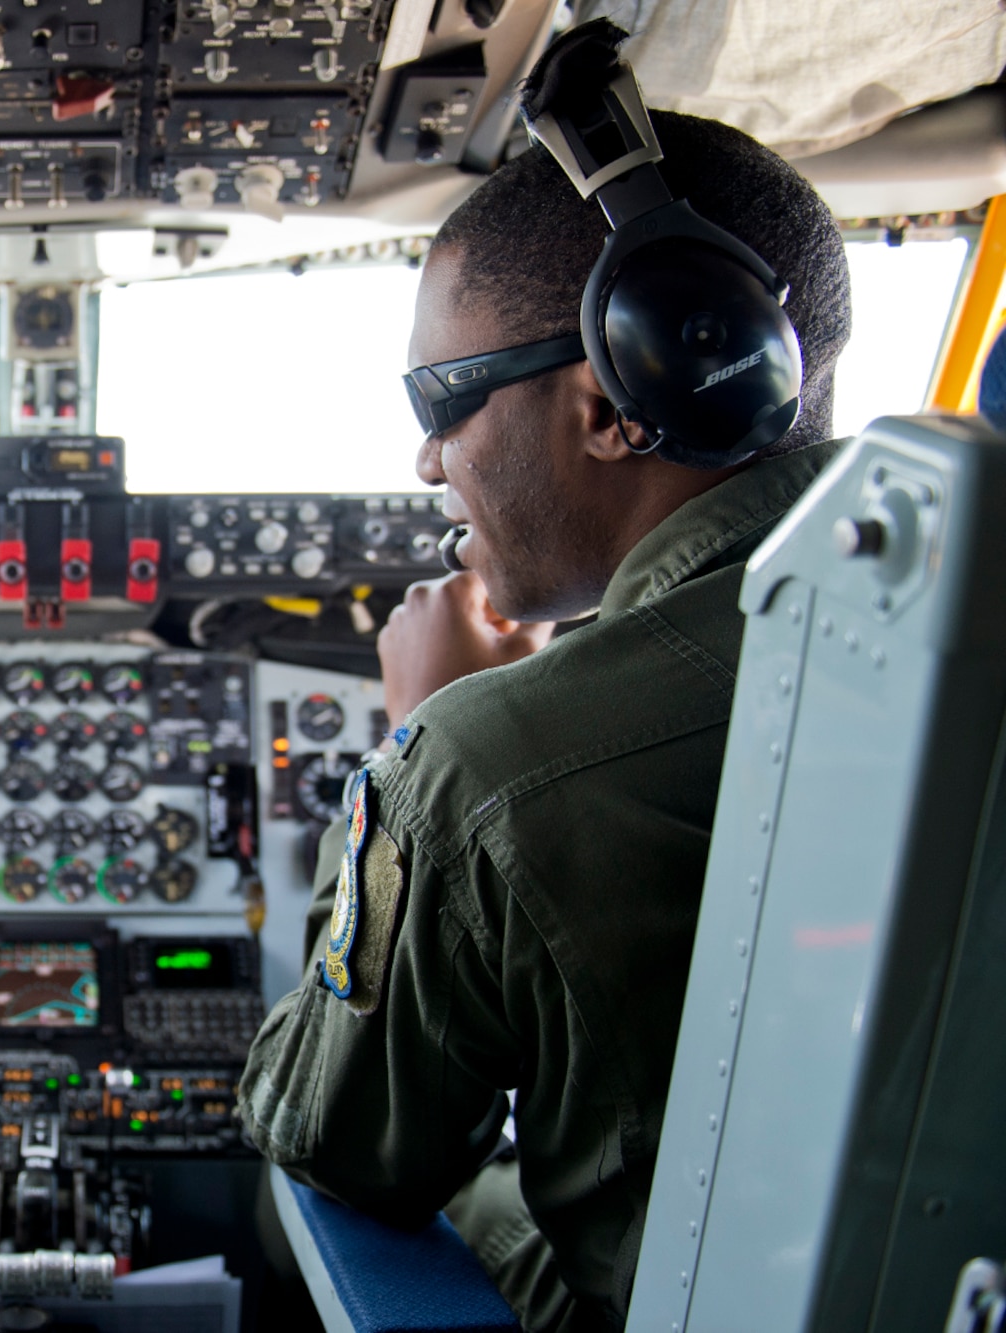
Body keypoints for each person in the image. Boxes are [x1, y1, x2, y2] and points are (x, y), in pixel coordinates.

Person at [238, 28, 853, 1333]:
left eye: (440, 398)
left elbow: (330, 1136)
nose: (424, 462)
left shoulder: (492, 765)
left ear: (621, 396)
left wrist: (421, 753)